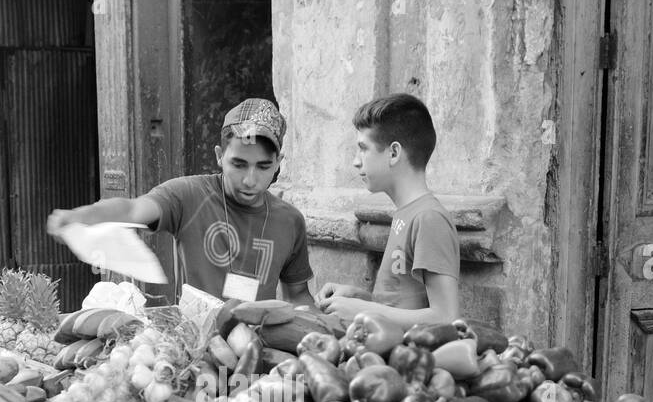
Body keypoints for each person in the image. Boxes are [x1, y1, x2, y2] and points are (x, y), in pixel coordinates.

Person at [46, 99, 314, 305]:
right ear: (220, 156)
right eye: (239, 164)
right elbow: (133, 209)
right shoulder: (188, 195)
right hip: (195, 351)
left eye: (264, 166)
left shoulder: (289, 221)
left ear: (279, 163)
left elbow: (299, 296)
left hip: (262, 357)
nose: (250, 180)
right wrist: (82, 216)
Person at [317, 94, 460, 326]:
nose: (356, 161)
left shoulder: (429, 218)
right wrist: (357, 298)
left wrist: (362, 311)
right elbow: (404, 304)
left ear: (394, 153)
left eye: (363, 149)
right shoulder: (406, 213)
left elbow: (446, 317)